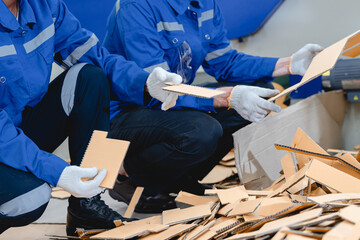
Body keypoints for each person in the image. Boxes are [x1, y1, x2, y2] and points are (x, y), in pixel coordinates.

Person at [103, 0, 323, 213]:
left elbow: (225, 62)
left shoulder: (204, 3)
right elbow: (158, 90)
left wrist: (289, 64)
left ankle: (178, 179)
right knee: (201, 130)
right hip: (128, 111)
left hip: (174, 102)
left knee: (260, 91)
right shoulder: (136, 6)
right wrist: (225, 97)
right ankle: (129, 177)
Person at [0, 0, 182, 236]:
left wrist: (144, 83)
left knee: (90, 77)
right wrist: (57, 171)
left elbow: (93, 55)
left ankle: (86, 207)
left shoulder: (44, 5)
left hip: (18, 129)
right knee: (29, 197)